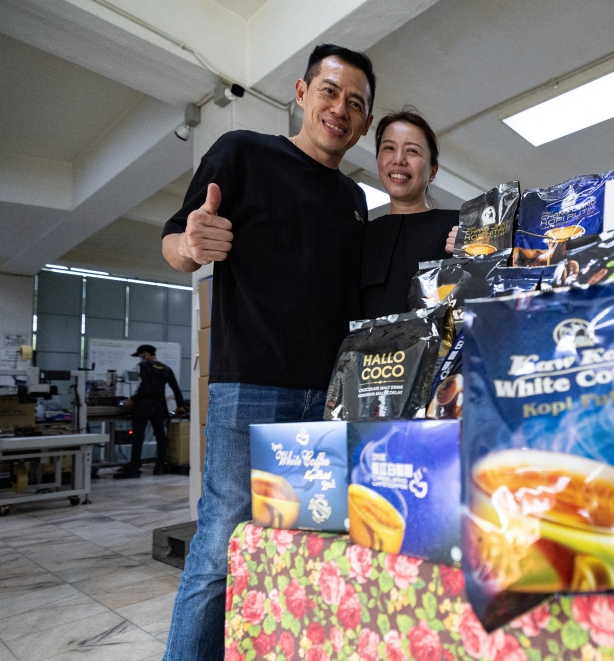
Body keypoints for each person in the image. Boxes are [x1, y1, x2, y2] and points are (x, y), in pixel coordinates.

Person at [159, 44, 376, 660]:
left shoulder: (354, 201)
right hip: (249, 390)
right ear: (302, 93)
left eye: (355, 104)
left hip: (324, 403)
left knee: (299, 553)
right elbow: (176, 240)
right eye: (330, 92)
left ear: (362, 124)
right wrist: (190, 245)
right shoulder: (244, 153)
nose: (340, 109)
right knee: (220, 550)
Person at [361, 108, 457, 317]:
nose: (399, 159)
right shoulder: (361, 236)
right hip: (374, 350)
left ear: (433, 171)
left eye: (412, 150)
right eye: (388, 147)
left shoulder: (459, 226)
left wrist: (476, 257)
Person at [113, 344, 185, 479]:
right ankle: (160, 467)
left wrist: (132, 399)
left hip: (143, 406)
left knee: (138, 436)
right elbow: (176, 388)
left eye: (140, 355)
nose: (139, 358)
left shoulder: (143, 366)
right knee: (161, 436)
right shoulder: (166, 368)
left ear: (145, 354)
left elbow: (144, 386)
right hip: (159, 406)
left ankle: (134, 467)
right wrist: (180, 405)